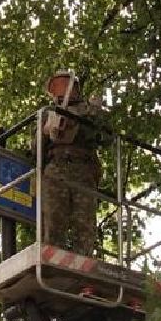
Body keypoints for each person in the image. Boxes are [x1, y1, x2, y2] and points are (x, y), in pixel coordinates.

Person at [39, 70, 107, 256]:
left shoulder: (88, 110)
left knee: (84, 222)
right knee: (54, 219)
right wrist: (46, 131)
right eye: (55, 87)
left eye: (63, 84)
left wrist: (93, 114)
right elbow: (37, 149)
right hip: (57, 168)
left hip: (83, 168)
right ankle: (53, 259)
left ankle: (83, 260)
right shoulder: (47, 113)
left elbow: (102, 136)